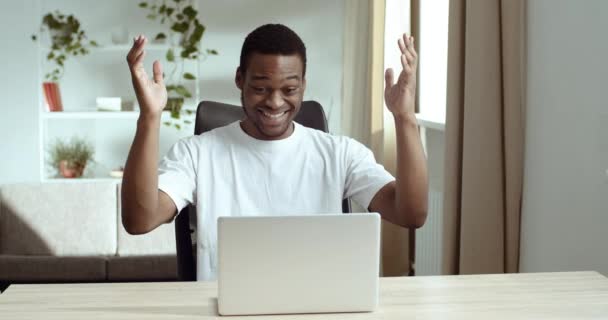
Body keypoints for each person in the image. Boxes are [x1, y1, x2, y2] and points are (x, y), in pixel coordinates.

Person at [122, 24, 428, 281]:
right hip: (226, 309)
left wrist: (404, 118)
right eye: (261, 88)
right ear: (240, 80)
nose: (275, 102)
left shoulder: (341, 153)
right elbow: (139, 220)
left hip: (319, 308)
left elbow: (411, 214)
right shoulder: (196, 154)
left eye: (289, 89)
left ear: (304, 85)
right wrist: (149, 116)